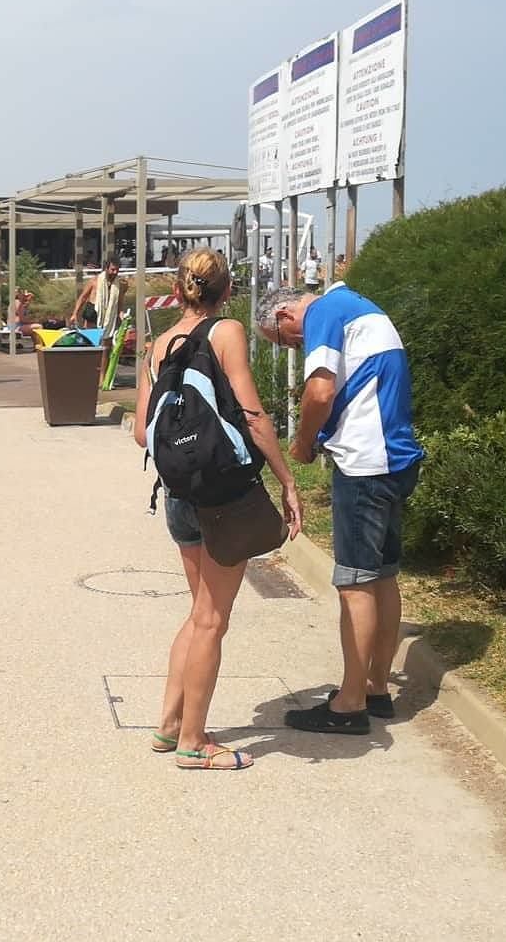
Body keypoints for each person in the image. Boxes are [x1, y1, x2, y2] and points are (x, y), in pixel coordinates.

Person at [135, 250, 302, 770]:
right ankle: (194, 742)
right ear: (225, 291)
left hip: (180, 494)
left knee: (199, 615)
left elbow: (142, 432)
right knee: (212, 621)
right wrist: (288, 481)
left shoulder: (155, 348)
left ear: (180, 289)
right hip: (223, 496)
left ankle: (168, 726)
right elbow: (252, 416)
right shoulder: (225, 332)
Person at [258, 281, 424, 735]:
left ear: (285, 315)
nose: (295, 345)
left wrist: (303, 442)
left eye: (285, 340)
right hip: (395, 458)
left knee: (354, 583)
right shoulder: (359, 306)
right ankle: (375, 688)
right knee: (383, 575)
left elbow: (320, 391)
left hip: (363, 463)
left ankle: (348, 704)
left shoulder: (325, 313)